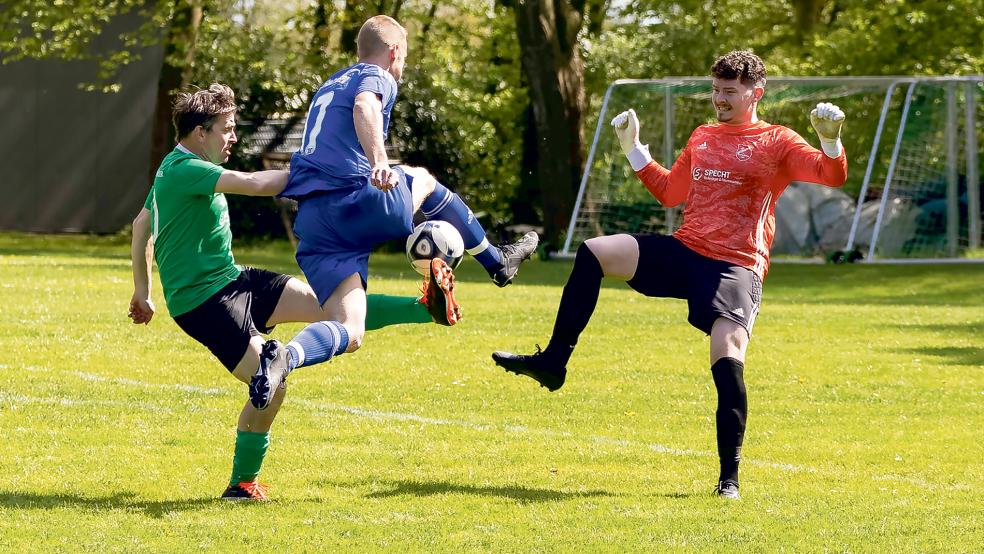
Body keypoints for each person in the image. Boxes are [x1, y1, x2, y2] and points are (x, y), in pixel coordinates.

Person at [491, 51, 848, 500]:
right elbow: (670, 192)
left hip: (737, 265)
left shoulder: (777, 140)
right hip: (686, 250)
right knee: (595, 252)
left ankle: (729, 479)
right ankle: (553, 362)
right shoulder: (702, 136)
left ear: (755, 94)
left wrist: (830, 142)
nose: (719, 99)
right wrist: (634, 149)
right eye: (715, 90)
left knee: (726, 354)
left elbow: (831, 176)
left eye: (729, 92)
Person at [129, 83, 458, 501]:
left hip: (235, 279)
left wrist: (143, 291)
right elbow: (252, 183)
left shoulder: (172, 166)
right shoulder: (185, 169)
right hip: (203, 302)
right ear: (200, 132)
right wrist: (320, 174)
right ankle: (242, 484)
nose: (233, 137)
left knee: (330, 309)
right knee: (272, 383)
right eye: (226, 129)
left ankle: (424, 307)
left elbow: (142, 226)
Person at [253, 15, 540, 410]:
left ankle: (285, 357)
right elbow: (364, 106)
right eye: (403, 59)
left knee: (351, 329)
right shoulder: (377, 75)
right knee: (421, 178)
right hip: (352, 198)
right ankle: (496, 261)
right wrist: (381, 162)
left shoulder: (330, 83)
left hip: (316, 223)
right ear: (394, 52)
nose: (401, 68)